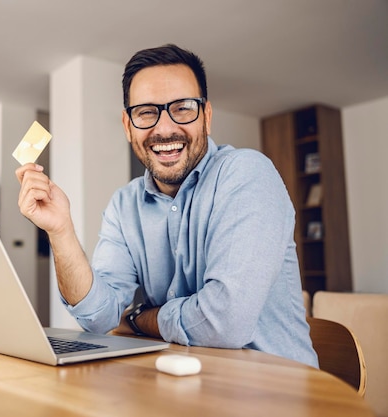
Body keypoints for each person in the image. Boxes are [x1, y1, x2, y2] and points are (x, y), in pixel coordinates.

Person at [16, 44, 318, 367]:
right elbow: (99, 318)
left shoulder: (248, 175)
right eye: (146, 112)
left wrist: (140, 320)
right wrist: (61, 230)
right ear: (127, 125)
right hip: (180, 388)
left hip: (276, 395)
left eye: (184, 108)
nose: (164, 128)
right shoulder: (124, 205)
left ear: (207, 117)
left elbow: (225, 323)